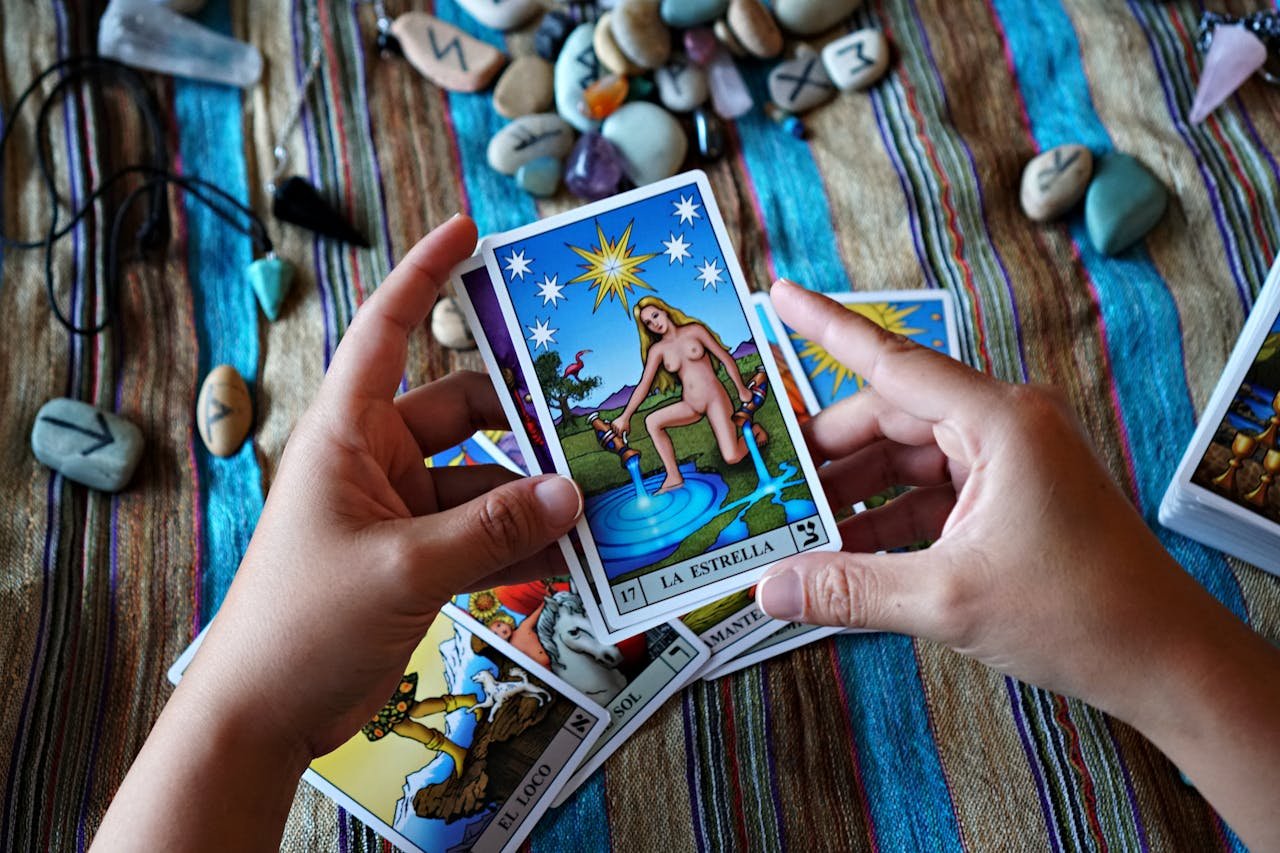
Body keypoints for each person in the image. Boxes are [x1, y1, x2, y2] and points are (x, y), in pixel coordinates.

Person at [91, 216, 1280, 851]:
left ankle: (712, 478)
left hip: (728, 408)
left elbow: (713, 374)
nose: (661, 316)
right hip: (676, 421)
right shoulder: (657, 347)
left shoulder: (690, 346)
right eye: (657, 311)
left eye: (662, 309)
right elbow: (644, 393)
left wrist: (244, 715)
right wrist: (630, 416)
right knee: (662, 435)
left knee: (699, 430)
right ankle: (682, 472)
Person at [611, 295, 767, 494]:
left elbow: (725, 358)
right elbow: (644, 385)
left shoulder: (694, 330)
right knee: (652, 421)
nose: (654, 324)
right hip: (690, 404)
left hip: (715, 399)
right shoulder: (657, 350)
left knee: (732, 457)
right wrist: (626, 416)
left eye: (655, 316)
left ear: (665, 310)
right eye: (648, 323)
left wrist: (741, 390)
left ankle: (755, 431)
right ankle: (673, 475)